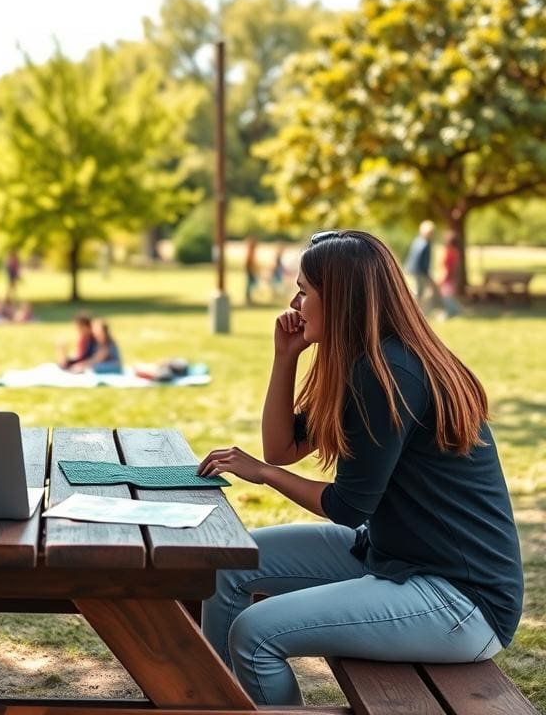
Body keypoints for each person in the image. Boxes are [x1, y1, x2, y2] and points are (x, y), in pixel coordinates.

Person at [197, 230, 522, 707]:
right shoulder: (368, 362)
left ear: (342, 298)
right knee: (227, 566)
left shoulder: (389, 373)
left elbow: (347, 506)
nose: (294, 302)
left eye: (305, 291)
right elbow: (280, 448)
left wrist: (262, 476)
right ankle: (214, 703)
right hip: (391, 556)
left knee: (255, 633)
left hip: (460, 601)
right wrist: (285, 357)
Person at [404, 219, 438, 310]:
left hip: (413, 270)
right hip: (419, 272)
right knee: (419, 293)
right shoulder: (425, 244)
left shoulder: (417, 240)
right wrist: (427, 273)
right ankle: (416, 311)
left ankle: (414, 310)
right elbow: (422, 261)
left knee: (416, 292)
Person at [440, 230, 462, 318]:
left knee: (447, 296)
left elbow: (448, 267)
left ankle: (452, 312)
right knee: (449, 296)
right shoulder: (456, 252)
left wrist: (443, 278)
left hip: (448, 277)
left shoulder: (450, 252)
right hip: (451, 277)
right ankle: (454, 311)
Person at [244, 236, 259, 305]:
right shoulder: (250, 252)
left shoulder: (251, 252)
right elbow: (249, 263)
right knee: (250, 286)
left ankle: (249, 298)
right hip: (250, 272)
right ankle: (248, 299)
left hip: (251, 272)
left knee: (250, 285)